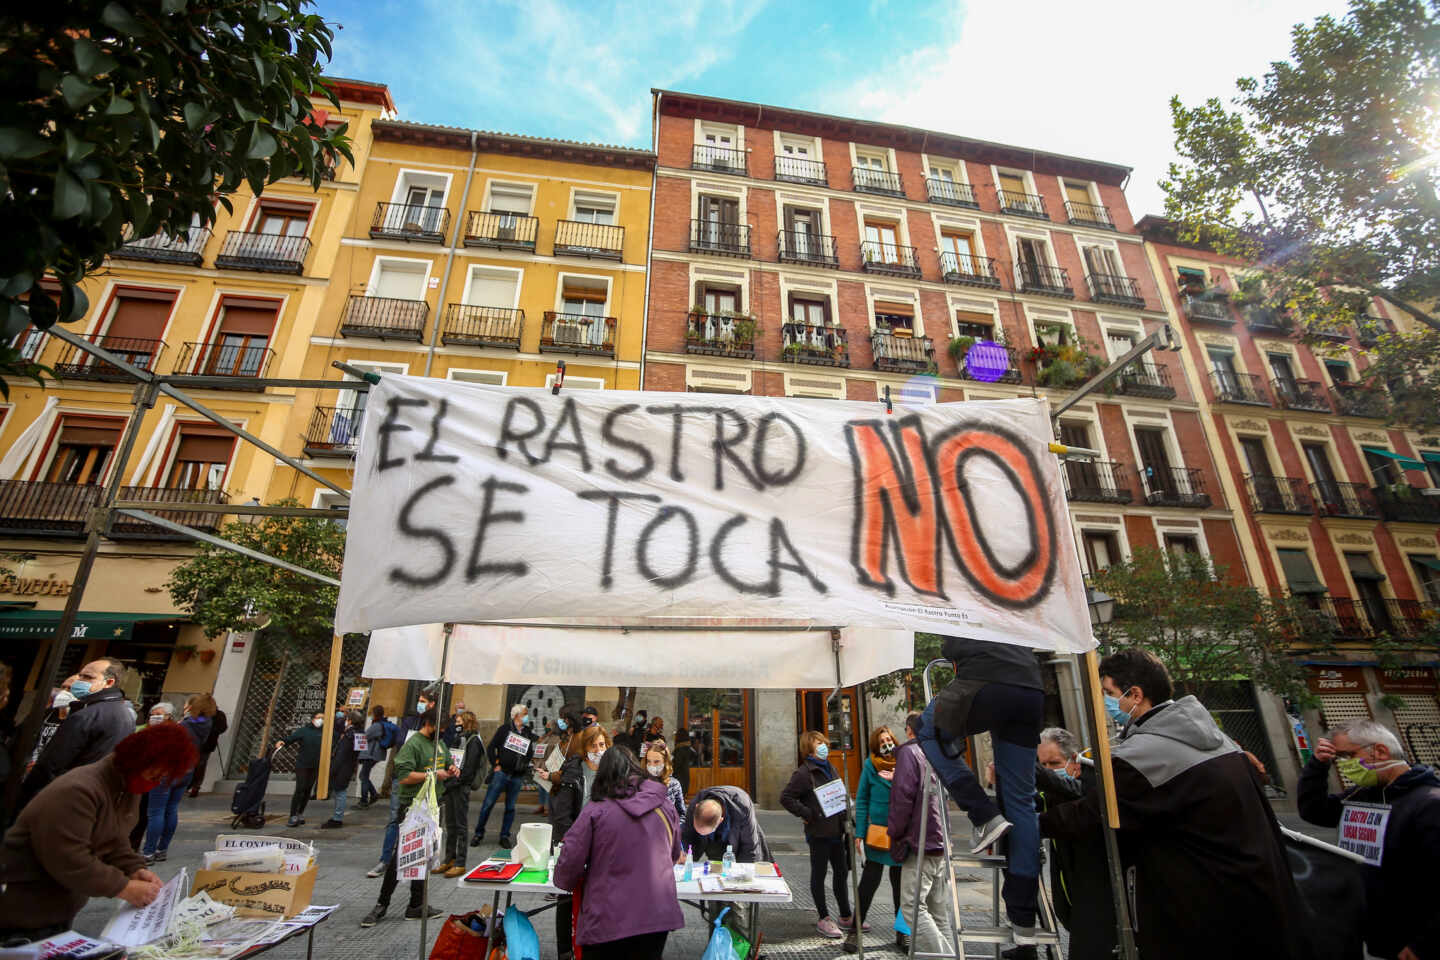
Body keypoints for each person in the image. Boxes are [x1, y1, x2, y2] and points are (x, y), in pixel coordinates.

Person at [1040, 648, 1308, 960]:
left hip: (1203, 906)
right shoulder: (1218, 739)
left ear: (1135, 694)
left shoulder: (1143, 755)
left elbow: (1093, 814)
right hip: (1258, 894)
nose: (1107, 703)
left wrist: (1025, 825)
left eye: (1109, 693)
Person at [0, 723, 197, 940]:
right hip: (19, 911)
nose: (155, 784)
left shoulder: (126, 786)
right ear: (136, 761)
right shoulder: (79, 790)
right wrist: (124, 887)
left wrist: (133, 868)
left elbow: (115, 839)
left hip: (55, 911)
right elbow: (69, 858)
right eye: (154, 776)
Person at [916, 635, 1045, 943]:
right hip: (1030, 688)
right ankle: (1023, 919)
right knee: (1021, 802)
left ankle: (983, 813)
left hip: (985, 679)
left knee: (927, 730)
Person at [1298, 718, 1440, 960]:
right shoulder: (1362, 796)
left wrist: (1425, 943)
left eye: (1346, 756)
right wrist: (1318, 766)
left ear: (1381, 751)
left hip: (1414, 942)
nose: (1343, 766)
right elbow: (1315, 810)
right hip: (1376, 937)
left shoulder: (1429, 804)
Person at [553, 747, 684, 960]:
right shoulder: (664, 805)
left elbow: (570, 860)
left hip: (607, 916)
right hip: (656, 915)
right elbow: (673, 853)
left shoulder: (596, 809)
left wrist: (563, 881)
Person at [1025, 727, 1114, 960]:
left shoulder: (1092, 783)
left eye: (1053, 763)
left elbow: (1077, 795)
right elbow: (1035, 803)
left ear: (1074, 760)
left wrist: (1033, 772)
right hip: (1071, 895)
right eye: (1042, 764)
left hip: (1097, 899)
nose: (1048, 771)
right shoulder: (1051, 792)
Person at [359, 708, 450, 928]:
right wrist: (432, 775)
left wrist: (451, 769)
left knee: (424, 855)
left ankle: (416, 905)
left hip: (432, 808)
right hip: (412, 808)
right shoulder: (414, 744)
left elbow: (444, 764)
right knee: (403, 855)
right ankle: (382, 904)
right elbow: (405, 776)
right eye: (441, 727)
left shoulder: (439, 744)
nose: (444, 732)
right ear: (428, 723)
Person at [20, 658, 132, 808]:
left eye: (88, 677)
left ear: (109, 682)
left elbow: (52, 764)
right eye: (80, 676)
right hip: (90, 795)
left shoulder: (86, 715)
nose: (79, 681)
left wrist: (27, 792)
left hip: (63, 795)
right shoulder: (123, 714)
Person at [887, 712, 955, 955]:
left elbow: (903, 798)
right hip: (940, 842)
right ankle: (951, 954)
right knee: (939, 913)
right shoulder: (936, 753)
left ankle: (946, 957)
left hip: (920, 841)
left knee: (913, 909)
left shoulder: (909, 752)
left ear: (908, 730)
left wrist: (894, 832)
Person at [781, 730, 854, 939]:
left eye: (824, 742)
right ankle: (824, 917)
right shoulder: (804, 773)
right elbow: (786, 797)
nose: (823, 745)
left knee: (841, 873)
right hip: (819, 833)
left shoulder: (830, 767)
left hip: (836, 831)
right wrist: (807, 814)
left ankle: (846, 915)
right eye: (818, 743)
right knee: (819, 874)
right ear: (809, 748)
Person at [549, 723, 611, 960]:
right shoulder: (574, 772)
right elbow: (563, 813)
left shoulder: (611, 772)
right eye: (593, 745)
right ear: (585, 748)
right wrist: (567, 843)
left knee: (598, 898)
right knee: (566, 896)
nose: (598, 749)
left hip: (604, 845)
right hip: (575, 841)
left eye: (602, 745)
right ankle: (565, 950)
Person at [849, 725, 904, 954]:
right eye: (882, 741)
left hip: (901, 832)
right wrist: (859, 833)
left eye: (889, 739)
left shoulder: (905, 762)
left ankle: (903, 933)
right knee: (869, 882)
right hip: (878, 833)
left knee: (901, 886)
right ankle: (855, 931)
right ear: (875, 745)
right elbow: (861, 801)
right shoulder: (870, 766)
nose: (886, 744)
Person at [140, 696, 214, 862]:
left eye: (187, 704)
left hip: (167, 771)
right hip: (186, 771)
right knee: (171, 809)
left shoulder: (184, 726)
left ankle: (148, 851)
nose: (185, 706)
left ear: (192, 707)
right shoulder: (205, 723)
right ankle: (162, 849)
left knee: (156, 812)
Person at [471, 703, 538, 849]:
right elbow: (491, 747)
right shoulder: (505, 730)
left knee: (510, 807)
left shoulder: (527, 731)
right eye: (525, 714)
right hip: (502, 773)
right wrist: (495, 764)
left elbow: (530, 750)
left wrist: (527, 762)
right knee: (488, 804)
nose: (527, 716)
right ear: (517, 716)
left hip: (517, 776)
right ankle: (478, 833)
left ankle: (504, 835)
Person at [440, 711, 485, 878]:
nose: (456, 725)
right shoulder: (459, 738)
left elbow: (469, 770)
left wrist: (454, 782)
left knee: (460, 826)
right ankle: (449, 859)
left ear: (467, 722)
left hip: (461, 787)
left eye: (459, 722)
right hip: (452, 785)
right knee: (450, 824)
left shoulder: (474, 741)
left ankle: (460, 862)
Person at [276, 710, 325, 827]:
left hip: (315, 765)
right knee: (300, 788)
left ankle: (300, 813)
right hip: (303, 764)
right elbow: (292, 738)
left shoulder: (325, 733)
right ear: (313, 719)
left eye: (323, 718)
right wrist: (283, 741)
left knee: (308, 790)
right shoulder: (304, 730)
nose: (321, 720)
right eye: (319, 717)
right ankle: (293, 815)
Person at [322, 710, 365, 829]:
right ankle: (337, 817)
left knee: (340, 792)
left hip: (343, 767)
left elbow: (341, 754)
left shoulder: (349, 735)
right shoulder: (360, 733)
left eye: (346, 719)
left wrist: (333, 769)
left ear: (350, 721)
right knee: (341, 791)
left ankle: (337, 818)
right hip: (350, 765)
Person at [187, 704, 227, 797]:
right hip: (195, 743)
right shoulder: (200, 714)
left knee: (200, 764)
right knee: (192, 764)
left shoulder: (219, 715)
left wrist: (213, 730)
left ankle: (195, 787)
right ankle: (189, 785)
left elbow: (222, 728)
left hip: (207, 744)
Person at [643, 741, 685, 825]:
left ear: (665, 762)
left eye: (656, 762)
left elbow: (682, 815)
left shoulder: (674, 784)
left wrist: (672, 830)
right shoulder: (640, 783)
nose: (652, 765)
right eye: (649, 761)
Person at [358, 705, 392, 808]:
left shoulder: (377, 725)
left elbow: (365, 736)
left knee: (363, 776)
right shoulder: (381, 724)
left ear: (375, 714)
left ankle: (364, 800)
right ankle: (373, 794)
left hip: (371, 754)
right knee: (363, 775)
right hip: (374, 754)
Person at [671, 729, 696, 797]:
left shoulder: (680, 749)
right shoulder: (688, 748)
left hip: (679, 778)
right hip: (685, 777)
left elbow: (677, 765)